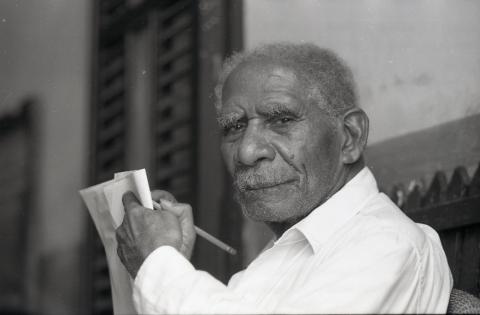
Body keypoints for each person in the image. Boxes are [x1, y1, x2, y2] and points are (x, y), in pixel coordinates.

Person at [116, 43, 453, 314]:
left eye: (281, 120)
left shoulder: (387, 245)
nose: (247, 151)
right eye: (234, 127)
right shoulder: (286, 253)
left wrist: (158, 262)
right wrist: (167, 259)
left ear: (349, 137)